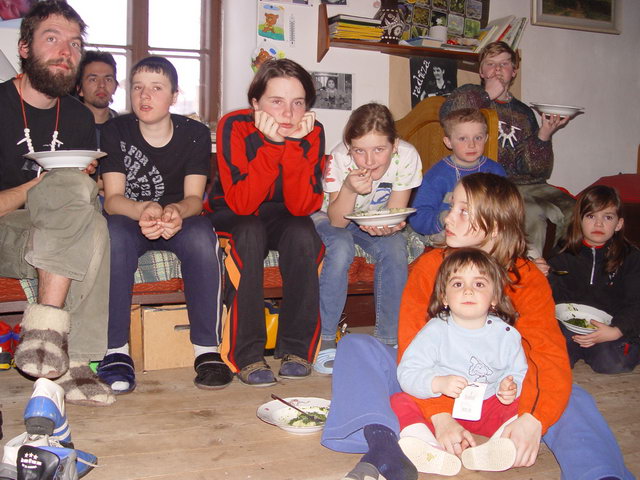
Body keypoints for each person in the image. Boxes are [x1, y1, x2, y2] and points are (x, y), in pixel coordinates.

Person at [322, 173, 634, 480]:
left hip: (499, 396)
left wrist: (533, 419)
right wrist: (440, 417)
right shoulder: (431, 266)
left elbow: (546, 353)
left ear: (495, 224)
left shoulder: (526, 278)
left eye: (463, 210)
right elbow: (412, 349)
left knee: (572, 397)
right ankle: (383, 447)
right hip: (433, 388)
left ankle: (601, 475)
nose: (448, 218)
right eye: (452, 207)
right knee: (357, 346)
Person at [0, 0, 113, 406]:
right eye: (52, 39)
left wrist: (81, 185)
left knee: (94, 221)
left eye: (75, 44)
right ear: (24, 48)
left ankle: (66, 354)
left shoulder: (79, 117)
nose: (66, 52)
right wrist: (45, 184)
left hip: (53, 235)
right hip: (6, 232)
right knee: (72, 195)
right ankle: (65, 355)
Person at [96, 56, 230, 393]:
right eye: (138, 87)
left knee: (202, 235)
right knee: (114, 235)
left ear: (174, 96)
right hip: (130, 218)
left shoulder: (195, 134)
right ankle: (116, 351)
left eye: (156, 88)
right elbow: (112, 199)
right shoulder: (114, 131)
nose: (145, 95)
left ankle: (207, 351)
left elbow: (195, 199)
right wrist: (143, 209)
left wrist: (174, 211)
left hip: (177, 219)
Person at [207, 58, 325, 387]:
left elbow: (303, 207)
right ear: (256, 103)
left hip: (283, 214)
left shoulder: (312, 131)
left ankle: (297, 349)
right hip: (234, 210)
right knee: (250, 230)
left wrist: (295, 145)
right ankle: (246, 354)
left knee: (304, 233)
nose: (288, 114)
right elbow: (242, 204)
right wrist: (272, 147)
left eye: (298, 103)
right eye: (276, 102)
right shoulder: (233, 125)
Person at [393, 247, 527, 475]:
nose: (468, 291)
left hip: (489, 405)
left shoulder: (507, 335)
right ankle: (427, 447)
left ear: (495, 297)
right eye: (457, 284)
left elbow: (519, 372)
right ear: (444, 297)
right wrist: (438, 383)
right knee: (399, 401)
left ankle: (497, 447)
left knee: (524, 409)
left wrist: (510, 387)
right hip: (444, 407)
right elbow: (408, 371)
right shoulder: (435, 330)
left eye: (479, 284)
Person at [440, 41, 575, 263]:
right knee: (531, 213)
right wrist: (487, 95)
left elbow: (539, 171)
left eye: (504, 64)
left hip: (529, 183)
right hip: (494, 183)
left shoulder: (524, 112)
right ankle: (525, 268)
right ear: (481, 71)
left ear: (514, 71)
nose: (497, 69)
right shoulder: (471, 96)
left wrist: (543, 135)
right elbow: (449, 114)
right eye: (490, 64)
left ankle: (560, 269)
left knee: (575, 209)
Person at [312, 103, 422, 374]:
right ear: (349, 147)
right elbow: (337, 221)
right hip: (330, 215)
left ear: (394, 145)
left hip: (372, 218)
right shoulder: (340, 158)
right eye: (359, 151)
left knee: (396, 247)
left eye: (379, 150)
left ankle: (388, 340)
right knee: (340, 246)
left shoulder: (407, 156)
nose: (369, 161)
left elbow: (394, 211)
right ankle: (326, 339)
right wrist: (349, 188)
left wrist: (389, 227)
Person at [548, 185, 640, 374]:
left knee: (612, 363)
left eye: (608, 217)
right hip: (569, 326)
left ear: (619, 224)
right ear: (579, 220)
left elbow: (636, 302)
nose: (599, 224)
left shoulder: (631, 257)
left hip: (611, 326)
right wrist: (544, 275)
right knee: (553, 358)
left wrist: (616, 330)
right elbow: (554, 296)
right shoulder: (564, 251)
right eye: (591, 216)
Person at [409, 108, 505, 240]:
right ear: (448, 142)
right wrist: (443, 218)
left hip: (486, 234)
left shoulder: (496, 171)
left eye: (478, 138)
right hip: (447, 235)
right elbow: (417, 216)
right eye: (463, 138)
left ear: (486, 138)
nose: (472, 145)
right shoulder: (437, 175)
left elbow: (507, 209)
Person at [76, 50, 119, 146]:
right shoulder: (66, 127)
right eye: (93, 79)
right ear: (79, 89)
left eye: (108, 79)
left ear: (115, 87)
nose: (102, 85)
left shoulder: (125, 128)